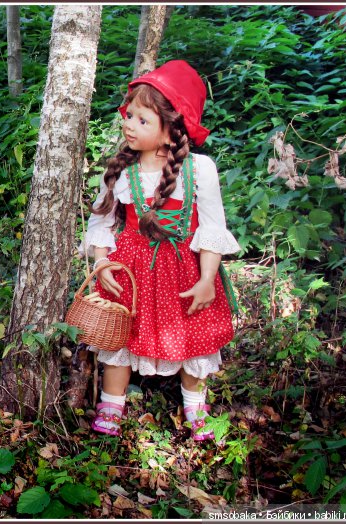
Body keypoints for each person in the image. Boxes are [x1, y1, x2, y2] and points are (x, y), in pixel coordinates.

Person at [79, 60, 240, 441]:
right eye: (129, 115)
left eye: (142, 120)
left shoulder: (199, 169)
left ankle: (195, 405)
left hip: (186, 271)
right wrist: (101, 261)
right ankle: (112, 403)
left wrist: (207, 279)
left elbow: (212, 228)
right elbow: (102, 223)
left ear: (171, 131)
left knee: (191, 333)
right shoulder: (122, 171)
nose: (129, 125)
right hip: (131, 270)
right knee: (120, 333)